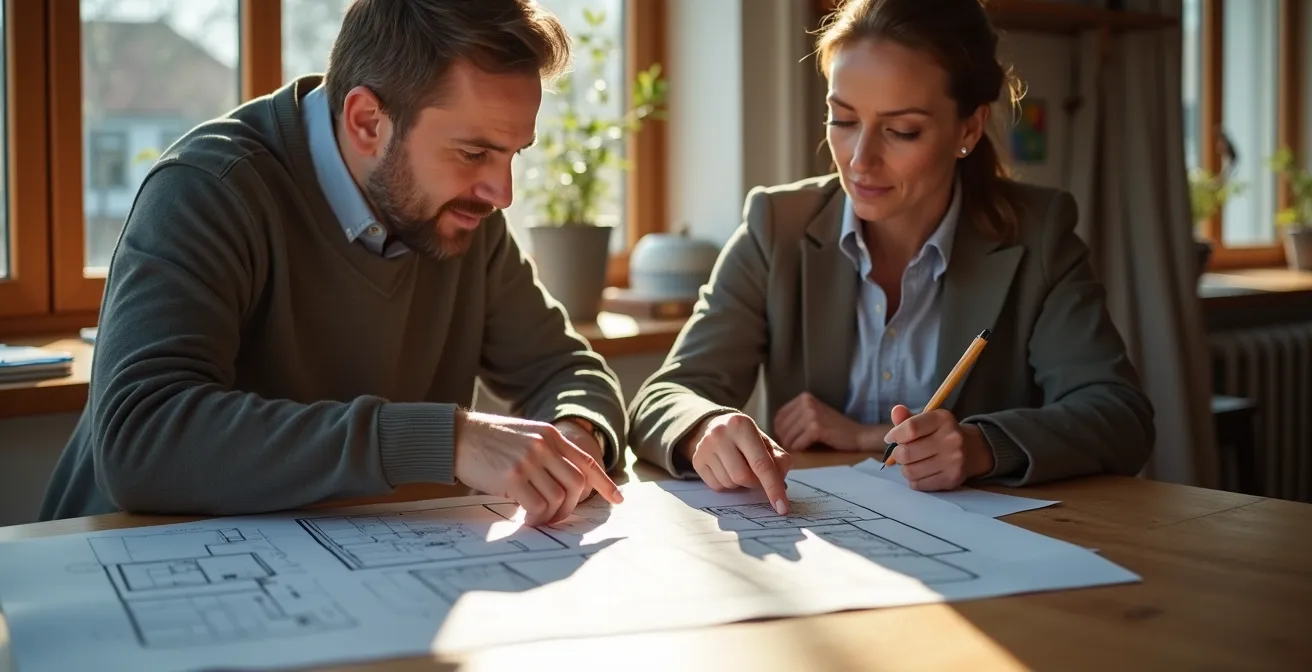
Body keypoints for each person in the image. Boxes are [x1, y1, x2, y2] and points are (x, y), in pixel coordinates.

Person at [39, 0, 627, 526]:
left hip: (350, 581)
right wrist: (443, 441)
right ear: (367, 121)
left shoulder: (460, 217)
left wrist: (573, 437)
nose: (502, 193)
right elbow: (142, 438)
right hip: (123, 588)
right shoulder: (208, 190)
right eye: (474, 152)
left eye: (511, 155)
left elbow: (567, 371)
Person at [627, 0, 1154, 512]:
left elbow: (1120, 416)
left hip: (983, 555)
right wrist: (704, 426)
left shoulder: (1036, 235)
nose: (859, 160)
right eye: (843, 119)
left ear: (968, 129)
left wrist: (980, 446)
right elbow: (664, 396)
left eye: (902, 130)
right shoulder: (776, 227)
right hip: (821, 542)